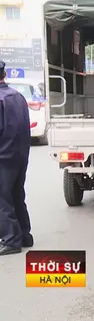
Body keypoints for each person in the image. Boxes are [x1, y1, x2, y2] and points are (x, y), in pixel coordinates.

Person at [0, 60, 33, 256]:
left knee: (3, 199)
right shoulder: (17, 96)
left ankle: (11, 240)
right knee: (17, 195)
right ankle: (24, 235)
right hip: (20, 155)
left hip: (3, 157)